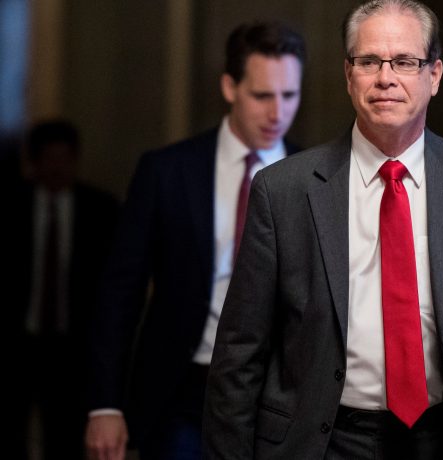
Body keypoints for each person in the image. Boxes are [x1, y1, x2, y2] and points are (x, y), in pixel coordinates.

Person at [203, 1, 443, 459]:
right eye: (369, 61)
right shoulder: (283, 191)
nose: (385, 77)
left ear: (435, 75)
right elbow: (239, 355)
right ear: (349, 75)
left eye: (405, 62)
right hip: (324, 441)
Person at [84, 21, 306, 460]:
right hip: (183, 389)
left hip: (281, 393)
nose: (277, 112)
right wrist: (104, 403)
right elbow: (119, 294)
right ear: (229, 86)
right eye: (262, 95)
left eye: (289, 96)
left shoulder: (314, 176)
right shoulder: (167, 171)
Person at [0, 119, 119, 460]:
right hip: (18, 341)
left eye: (63, 158)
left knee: (65, 435)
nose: (56, 167)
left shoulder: (100, 209)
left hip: (74, 344)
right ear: (34, 162)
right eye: (48, 159)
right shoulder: (10, 205)